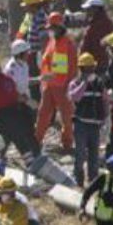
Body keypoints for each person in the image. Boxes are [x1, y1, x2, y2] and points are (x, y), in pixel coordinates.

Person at [35, 12, 77, 151]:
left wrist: (47, 77)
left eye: (53, 28)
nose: (50, 31)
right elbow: (47, 62)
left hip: (63, 86)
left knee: (66, 116)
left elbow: (61, 72)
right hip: (50, 85)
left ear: (60, 27)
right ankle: (36, 141)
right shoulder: (53, 42)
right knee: (43, 114)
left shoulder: (65, 45)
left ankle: (67, 144)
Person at [68, 52, 109, 185]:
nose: (91, 71)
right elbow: (74, 97)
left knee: (94, 156)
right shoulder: (75, 83)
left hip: (95, 125)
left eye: (92, 68)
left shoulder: (99, 83)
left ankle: (93, 181)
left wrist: (105, 118)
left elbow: (105, 100)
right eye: (88, 68)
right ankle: (78, 179)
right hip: (81, 124)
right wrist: (84, 83)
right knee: (80, 154)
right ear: (82, 69)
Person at [79, 0, 113, 74]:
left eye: (89, 9)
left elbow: (95, 45)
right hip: (96, 63)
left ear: (96, 9)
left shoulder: (99, 25)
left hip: (96, 64)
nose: (87, 11)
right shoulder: (104, 22)